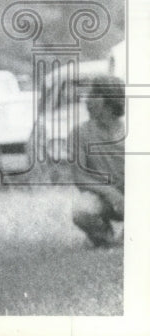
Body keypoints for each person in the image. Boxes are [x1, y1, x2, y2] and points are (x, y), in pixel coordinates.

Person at [70, 76, 125, 248]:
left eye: (94, 94)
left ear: (110, 100)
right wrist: (112, 194)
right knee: (82, 210)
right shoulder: (79, 133)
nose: (87, 99)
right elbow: (80, 177)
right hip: (104, 198)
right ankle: (107, 240)